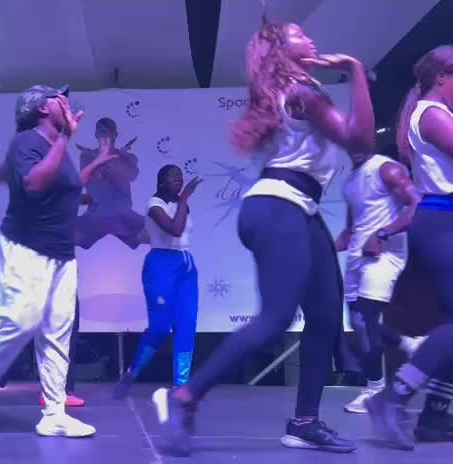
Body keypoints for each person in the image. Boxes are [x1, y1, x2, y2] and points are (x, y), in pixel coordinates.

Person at [151, 17, 375, 456]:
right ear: (281, 52)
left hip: (297, 208)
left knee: (326, 316)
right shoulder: (302, 93)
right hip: (278, 206)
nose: (309, 37)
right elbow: (361, 141)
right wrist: (356, 71)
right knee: (275, 318)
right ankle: (185, 397)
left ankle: (305, 423)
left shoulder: (287, 91)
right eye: (298, 35)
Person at [0, 85, 115, 438]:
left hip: (61, 253)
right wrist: (66, 137)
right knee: (19, 324)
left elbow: (66, 186)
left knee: (57, 334)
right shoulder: (27, 142)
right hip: (27, 248)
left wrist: (96, 162)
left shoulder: (56, 146)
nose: (65, 101)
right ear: (41, 109)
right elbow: (35, 184)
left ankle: (54, 414)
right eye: (57, 97)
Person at [367, 45, 453, 450]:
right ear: (443, 78)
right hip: (441, 222)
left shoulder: (437, 112)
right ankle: (394, 396)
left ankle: (436, 416)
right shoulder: (432, 114)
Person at [335, 150, 428, 414]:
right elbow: (350, 231)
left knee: (368, 320)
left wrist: (382, 234)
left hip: (383, 255)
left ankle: (376, 388)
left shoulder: (387, 169)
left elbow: (416, 204)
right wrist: (324, 250)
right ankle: (407, 346)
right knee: (359, 323)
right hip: (356, 258)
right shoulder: (351, 181)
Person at [113, 165, 202, 399]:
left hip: (186, 266)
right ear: (161, 182)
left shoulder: (181, 204)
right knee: (160, 328)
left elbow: (175, 235)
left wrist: (182, 201)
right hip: (161, 267)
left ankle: (181, 385)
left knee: (186, 325)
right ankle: (131, 373)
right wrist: (184, 198)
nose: (178, 181)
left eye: (180, 178)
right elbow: (175, 230)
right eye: (173, 179)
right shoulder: (154, 205)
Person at [75, 118, 144, 249]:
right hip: (94, 215)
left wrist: (110, 160)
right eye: (101, 131)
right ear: (96, 134)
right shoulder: (86, 157)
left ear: (115, 135)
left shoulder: (128, 158)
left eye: (108, 132)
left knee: (157, 233)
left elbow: (132, 174)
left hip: (123, 215)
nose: (104, 135)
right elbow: (87, 178)